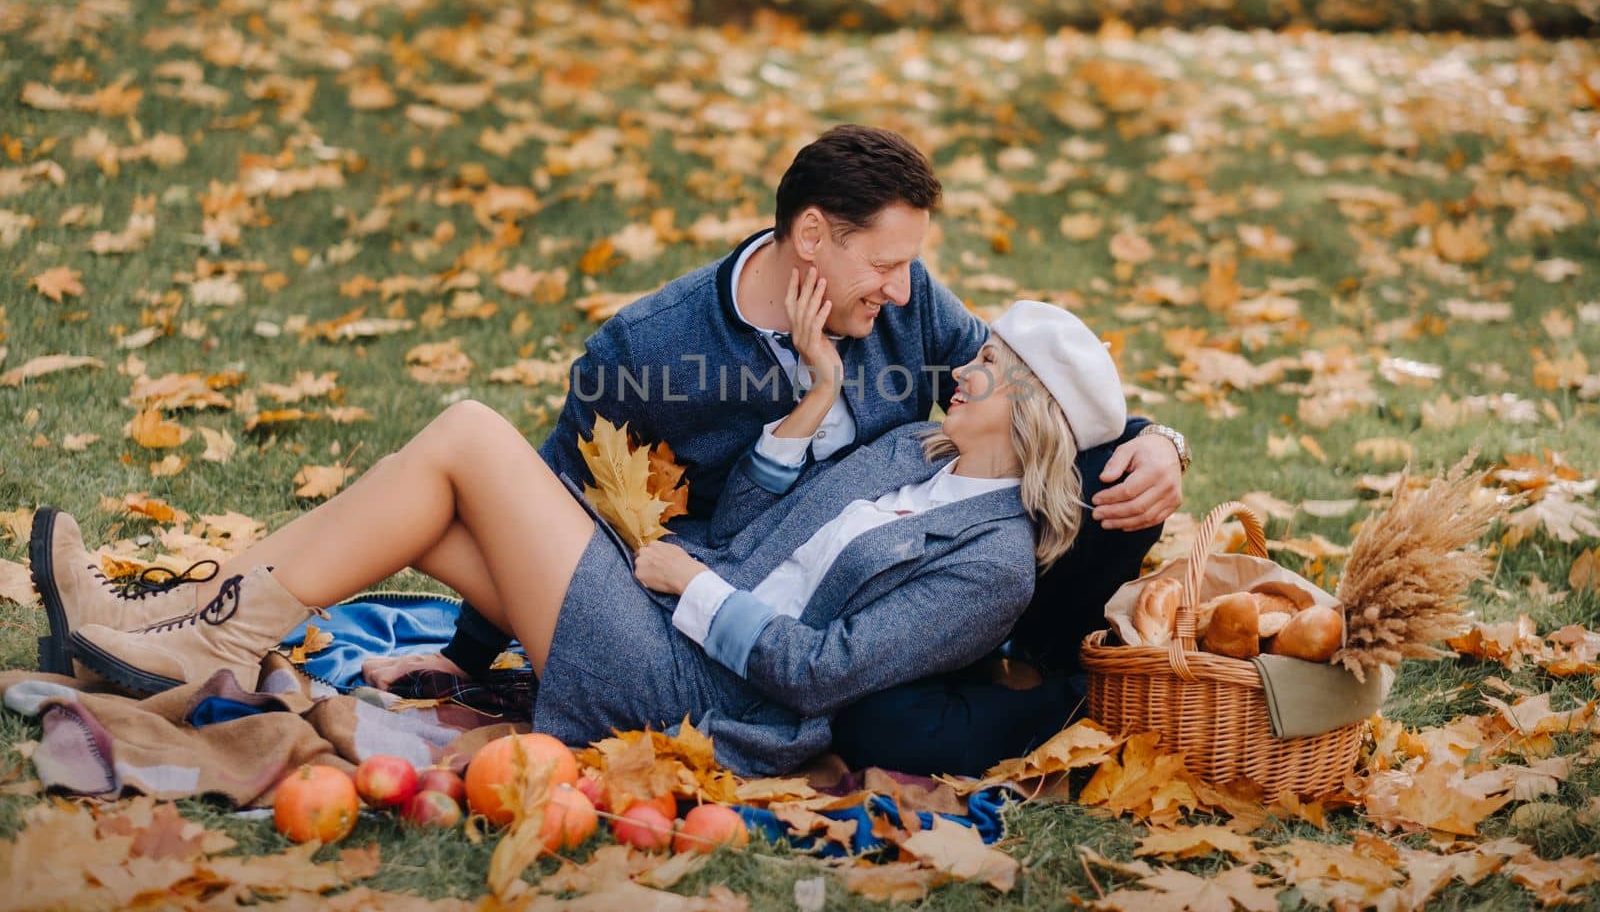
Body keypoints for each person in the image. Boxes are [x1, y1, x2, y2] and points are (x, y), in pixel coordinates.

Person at [368, 124, 1186, 773]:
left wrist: (1162, 440)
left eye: (909, 264)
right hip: (675, 597)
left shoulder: (912, 313)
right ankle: (239, 609)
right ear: (811, 236)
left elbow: (1052, 406)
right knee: (426, 482)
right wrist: (466, 653)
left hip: (733, 651)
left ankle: (238, 609)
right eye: (886, 262)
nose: (904, 289)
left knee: (460, 442)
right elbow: (562, 477)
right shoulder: (661, 348)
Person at [36, 294, 1126, 776]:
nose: (961, 370)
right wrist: (809, 407)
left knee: (466, 433)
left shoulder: (991, 568)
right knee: (427, 497)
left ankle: (192, 634)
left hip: (702, 697)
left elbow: (821, 672)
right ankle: (171, 629)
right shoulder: (915, 453)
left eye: (985, 369)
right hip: (658, 610)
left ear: (1028, 413)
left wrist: (687, 587)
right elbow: (750, 528)